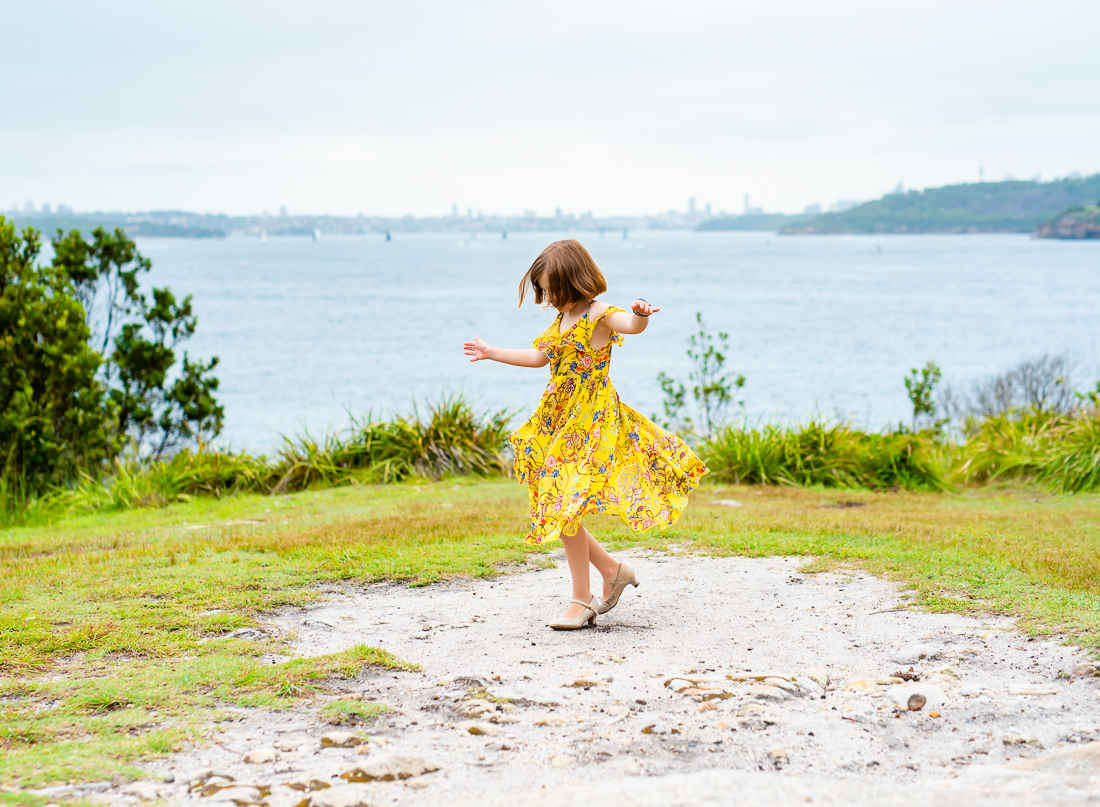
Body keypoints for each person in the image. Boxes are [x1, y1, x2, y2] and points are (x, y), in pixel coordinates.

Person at [464, 239, 707, 629]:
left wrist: (641, 314)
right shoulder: (561, 319)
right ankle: (612, 572)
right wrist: (492, 351)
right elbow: (538, 357)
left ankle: (582, 599)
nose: (547, 298)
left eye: (551, 289)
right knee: (561, 504)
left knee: (563, 502)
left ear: (573, 280)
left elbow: (631, 325)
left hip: (592, 421)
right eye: (543, 291)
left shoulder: (599, 314)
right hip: (559, 420)